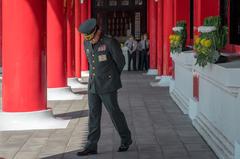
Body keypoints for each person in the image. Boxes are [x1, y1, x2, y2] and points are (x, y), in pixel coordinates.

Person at [77, 18, 132, 156]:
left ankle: (126, 139)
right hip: (93, 85)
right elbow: (92, 63)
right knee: (93, 115)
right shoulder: (86, 43)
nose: (90, 40)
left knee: (114, 113)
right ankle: (91, 145)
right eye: (87, 38)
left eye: (91, 37)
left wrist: (112, 78)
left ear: (97, 31)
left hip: (108, 85)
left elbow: (121, 62)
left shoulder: (109, 42)